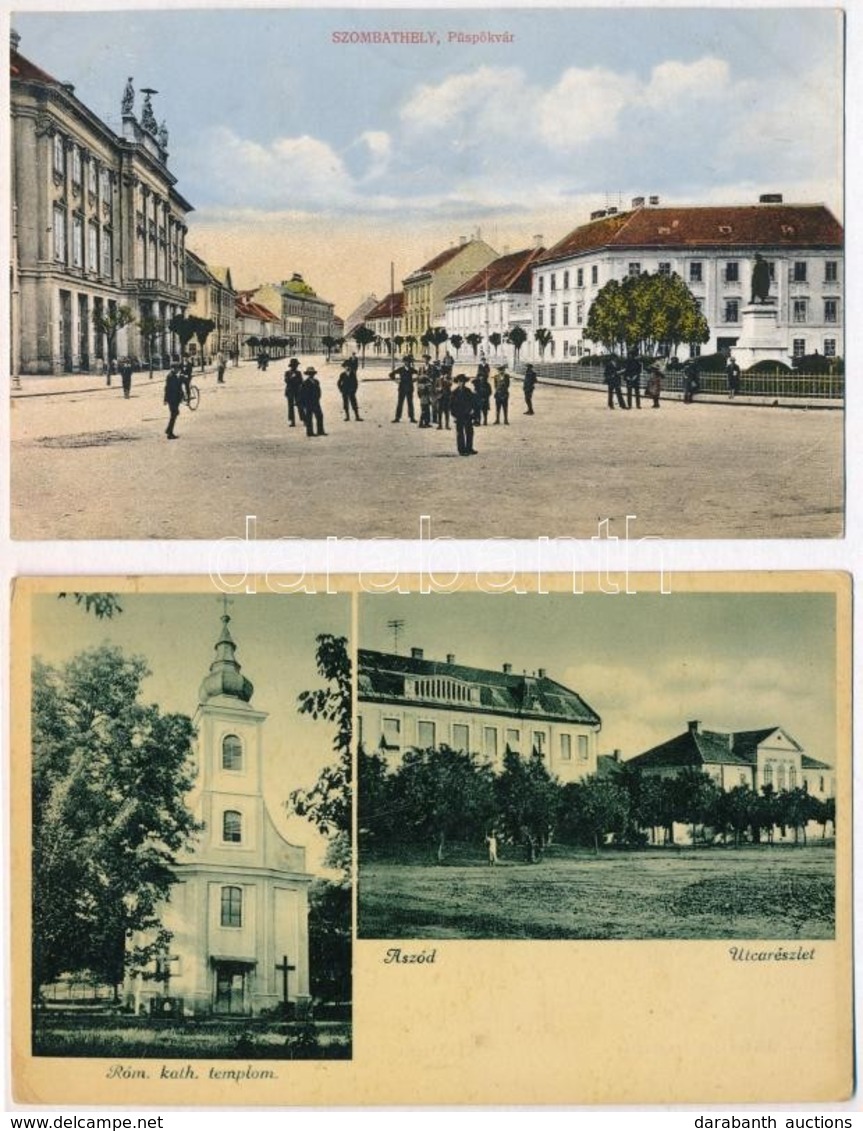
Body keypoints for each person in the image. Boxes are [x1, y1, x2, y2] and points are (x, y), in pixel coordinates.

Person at [450, 374, 477, 456]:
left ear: (465, 382)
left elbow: (473, 401)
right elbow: (451, 405)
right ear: (457, 383)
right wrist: (454, 415)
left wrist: (472, 410)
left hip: (467, 414)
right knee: (460, 433)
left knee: (469, 432)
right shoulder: (454, 392)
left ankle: (469, 448)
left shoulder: (468, 391)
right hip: (459, 415)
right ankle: (461, 450)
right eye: (459, 382)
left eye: (462, 382)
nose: (461, 383)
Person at [299, 366, 326, 436]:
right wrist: (303, 403)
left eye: (312, 373)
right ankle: (309, 432)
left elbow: (319, 391)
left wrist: (318, 397)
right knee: (309, 418)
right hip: (308, 402)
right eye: (310, 373)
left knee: (320, 416)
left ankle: (320, 431)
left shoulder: (316, 381)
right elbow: (302, 394)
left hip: (316, 402)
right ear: (308, 374)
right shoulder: (305, 383)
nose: (311, 375)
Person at [390, 355, 416, 422]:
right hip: (402, 388)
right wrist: (396, 381)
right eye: (406, 361)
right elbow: (391, 374)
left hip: (410, 388)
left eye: (408, 362)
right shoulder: (401, 369)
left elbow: (419, 374)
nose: (407, 363)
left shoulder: (412, 369)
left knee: (410, 403)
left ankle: (412, 417)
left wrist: (414, 380)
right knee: (400, 403)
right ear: (404, 362)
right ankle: (397, 417)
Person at [164, 363, 184, 439]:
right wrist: (166, 399)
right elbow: (167, 389)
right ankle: (170, 433)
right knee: (174, 415)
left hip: (174, 399)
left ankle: (169, 430)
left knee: (174, 414)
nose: (178, 370)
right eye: (177, 369)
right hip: (173, 399)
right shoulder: (171, 376)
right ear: (173, 368)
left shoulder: (173, 375)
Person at [284, 357, 304, 426]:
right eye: (294, 365)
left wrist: (294, 379)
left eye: (296, 365)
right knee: (290, 407)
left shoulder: (298, 373)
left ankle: (303, 419)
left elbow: (301, 381)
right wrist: (292, 378)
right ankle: (292, 421)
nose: (295, 367)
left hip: (298, 391)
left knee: (300, 405)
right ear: (291, 366)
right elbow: (286, 381)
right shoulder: (287, 373)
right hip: (290, 391)